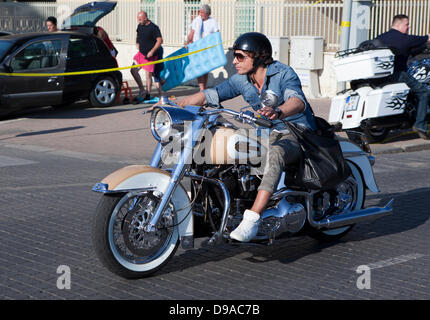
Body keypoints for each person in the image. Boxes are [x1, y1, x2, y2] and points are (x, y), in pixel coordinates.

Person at [178, 32, 317, 242]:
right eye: (235, 56)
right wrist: (175, 104)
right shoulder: (243, 80)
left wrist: (278, 111)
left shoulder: (283, 73)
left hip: (295, 132)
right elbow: (212, 94)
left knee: (276, 153)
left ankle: (252, 219)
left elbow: (297, 101)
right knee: (211, 144)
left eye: (241, 56)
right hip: (263, 132)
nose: (235, 61)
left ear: (259, 57)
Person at [376, 14, 430, 139]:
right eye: (407, 24)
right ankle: (420, 125)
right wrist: (427, 38)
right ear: (398, 25)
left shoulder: (382, 37)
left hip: (381, 76)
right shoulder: (402, 38)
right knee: (424, 92)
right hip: (398, 75)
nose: (409, 27)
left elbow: (408, 51)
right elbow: (418, 40)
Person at [186, 4, 220, 91]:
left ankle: (204, 87)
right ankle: (202, 89)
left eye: (202, 13)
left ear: (207, 13)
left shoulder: (213, 22)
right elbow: (192, 33)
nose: (200, 14)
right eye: (200, 12)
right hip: (197, 48)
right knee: (199, 69)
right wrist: (187, 42)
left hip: (207, 49)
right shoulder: (196, 20)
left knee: (205, 69)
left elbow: (217, 35)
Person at [131, 11, 163, 100]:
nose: (139, 21)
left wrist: (152, 51)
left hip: (150, 55)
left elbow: (160, 40)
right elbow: (138, 34)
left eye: (140, 19)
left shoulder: (154, 28)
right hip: (141, 54)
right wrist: (137, 42)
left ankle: (148, 93)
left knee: (148, 75)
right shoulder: (139, 26)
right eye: (138, 19)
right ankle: (142, 89)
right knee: (133, 70)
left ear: (146, 18)